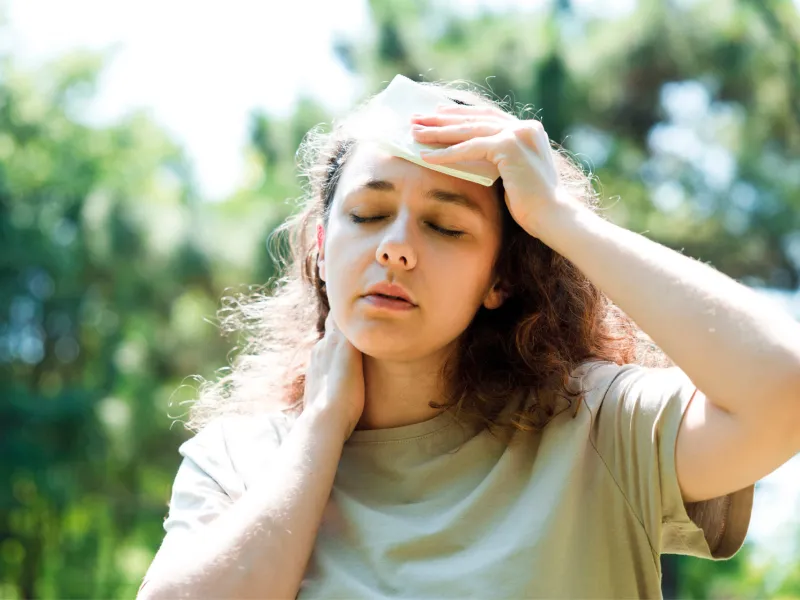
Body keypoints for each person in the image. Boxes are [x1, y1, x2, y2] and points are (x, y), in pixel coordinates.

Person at [137, 77, 800, 599]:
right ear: (319, 245)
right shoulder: (240, 459)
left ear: (500, 279)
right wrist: (320, 428)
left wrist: (557, 218)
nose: (395, 248)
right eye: (368, 214)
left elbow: (784, 387)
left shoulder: (601, 427)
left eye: (446, 227)